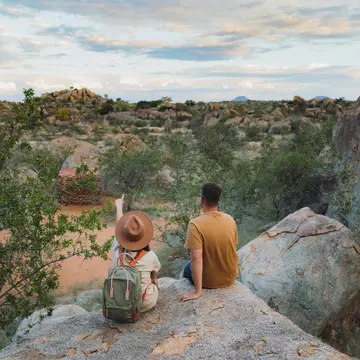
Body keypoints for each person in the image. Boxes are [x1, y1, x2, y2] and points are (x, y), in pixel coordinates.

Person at [181, 183, 238, 302]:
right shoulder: (230, 219)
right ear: (218, 200)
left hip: (210, 282)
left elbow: (196, 259)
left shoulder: (195, 224)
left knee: (187, 267)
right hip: (230, 277)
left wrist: (198, 292)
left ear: (202, 200)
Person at [111, 195, 161, 313]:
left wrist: (119, 206)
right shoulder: (150, 256)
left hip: (119, 304)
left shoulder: (116, 250)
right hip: (143, 305)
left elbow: (119, 227)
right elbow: (158, 269)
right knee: (152, 279)